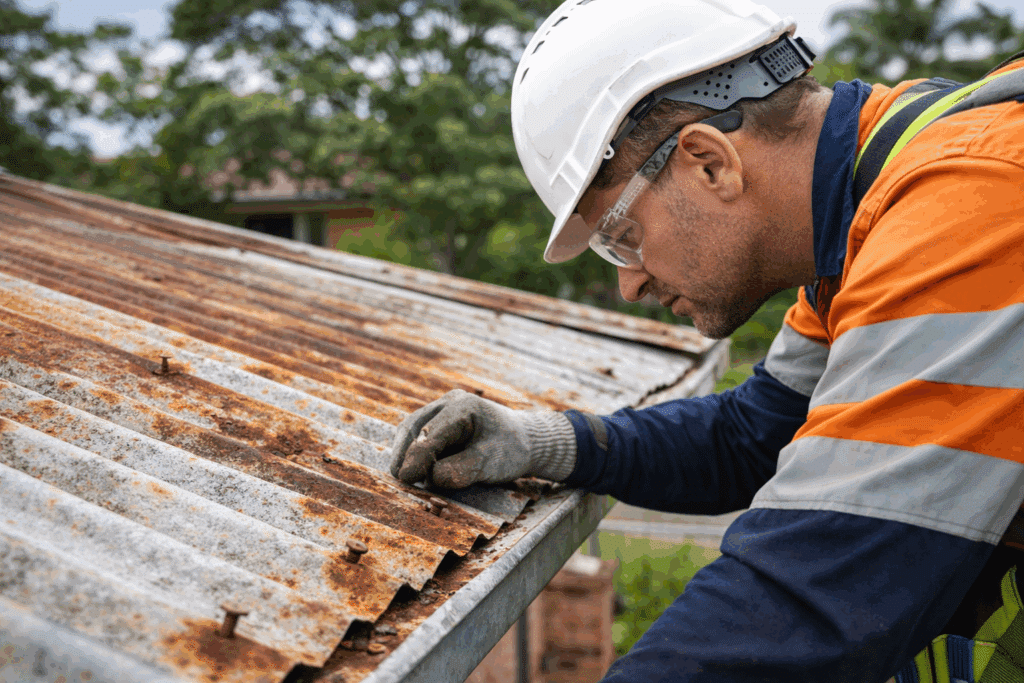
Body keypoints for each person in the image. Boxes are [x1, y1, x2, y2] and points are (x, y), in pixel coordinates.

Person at [389, 0, 1024, 680]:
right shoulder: (863, 220)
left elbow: (810, 594)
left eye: (621, 238)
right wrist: (544, 441)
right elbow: (750, 434)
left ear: (710, 163)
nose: (630, 283)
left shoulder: (971, 201)